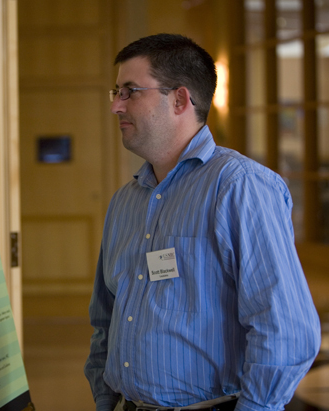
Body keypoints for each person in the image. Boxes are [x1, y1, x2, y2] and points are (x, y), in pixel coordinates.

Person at [84, 33, 321, 411]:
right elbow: (105, 320)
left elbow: (285, 329)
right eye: (116, 92)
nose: (116, 105)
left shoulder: (240, 187)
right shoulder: (125, 202)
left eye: (130, 92)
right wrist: (104, 400)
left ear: (180, 99)